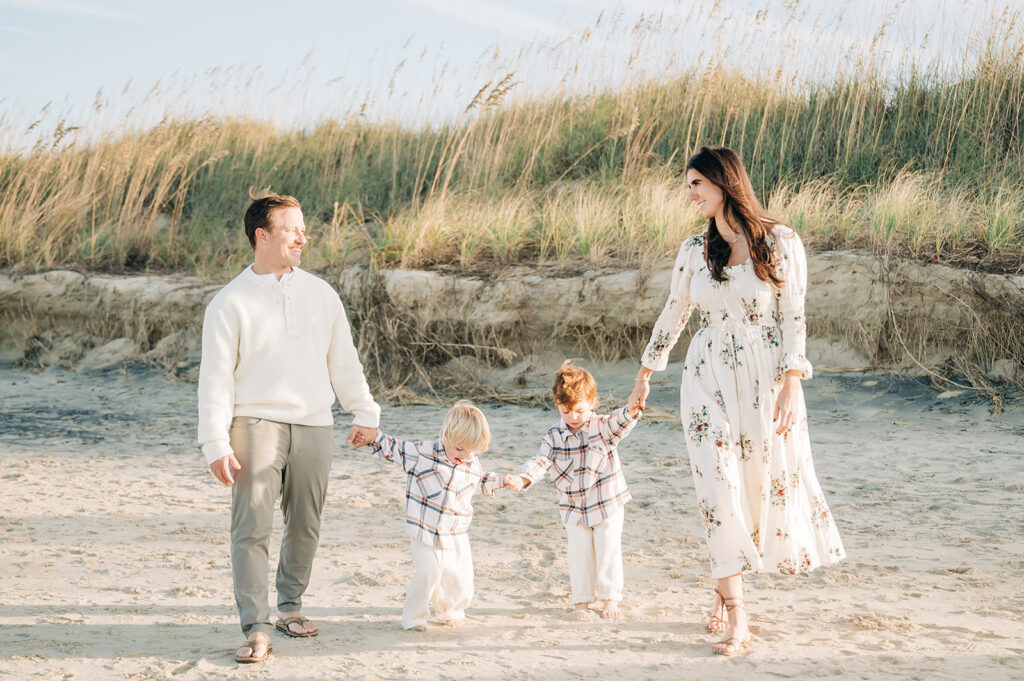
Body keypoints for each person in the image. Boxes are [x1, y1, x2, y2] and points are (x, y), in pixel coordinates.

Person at [628, 146, 845, 656]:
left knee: (752, 487)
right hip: (705, 377)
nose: (690, 194)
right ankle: (739, 616)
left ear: (724, 182)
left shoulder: (780, 241)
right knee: (718, 489)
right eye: (688, 185)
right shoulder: (693, 250)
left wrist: (793, 380)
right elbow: (674, 312)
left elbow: (793, 316)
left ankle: (723, 591)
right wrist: (644, 374)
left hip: (763, 378)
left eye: (696, 183)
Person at [198, 192, 380, 664]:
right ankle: (256, 627)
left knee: (306, 524)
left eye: (303, 230)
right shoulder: (229, 302)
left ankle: (290, 607)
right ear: (262, 235)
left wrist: (364, 411)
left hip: (315, 423)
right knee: (252, 527)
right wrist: (214, 441)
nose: (303, 238)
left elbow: (343, 359)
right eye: (292, 230)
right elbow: (215, 379)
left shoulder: (322, 294)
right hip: (255, 422)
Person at [505, 360, 642, 620]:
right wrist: (523, 478)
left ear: (592, 402)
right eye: (565, 411)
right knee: (579, 553)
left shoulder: (603, 426)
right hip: (573, 507)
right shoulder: (553, 436)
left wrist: (634, 407)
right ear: (557, 405)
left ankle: (610, 598)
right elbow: (542, 460)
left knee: (608, 548)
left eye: (579, 410)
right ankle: (582, 600)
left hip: (607, 500)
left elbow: (623, 419)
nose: (573, 417)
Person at [361, 401, 504, 630]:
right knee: (428, 573)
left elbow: (480, 480)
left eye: (472, 450)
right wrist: (372, 437)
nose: (465, 456)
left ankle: (451, 609)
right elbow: (396, 448)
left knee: (459, 576)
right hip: (424, 528)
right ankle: (414, 617)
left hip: (456, 531)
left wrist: (503, 481)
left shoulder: (471, 461)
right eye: (459, 449)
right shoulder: (423, 453)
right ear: (446, 436)